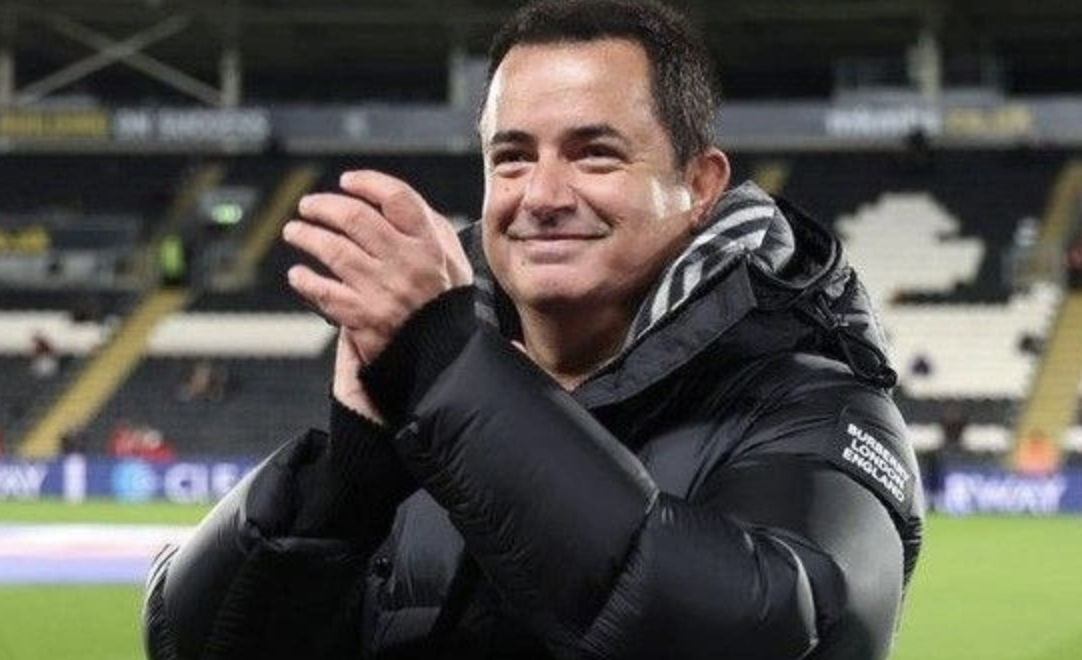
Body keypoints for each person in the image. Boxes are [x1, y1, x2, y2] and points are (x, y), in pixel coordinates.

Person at [143, 2, 924, 659]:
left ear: (700, 186)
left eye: (595, 155)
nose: (543, 195)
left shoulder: (818, 406)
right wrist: (343, 488)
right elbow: (187, 645)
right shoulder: (432, 399)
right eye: (512, 158)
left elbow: (769, 632)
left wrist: (454, 377)